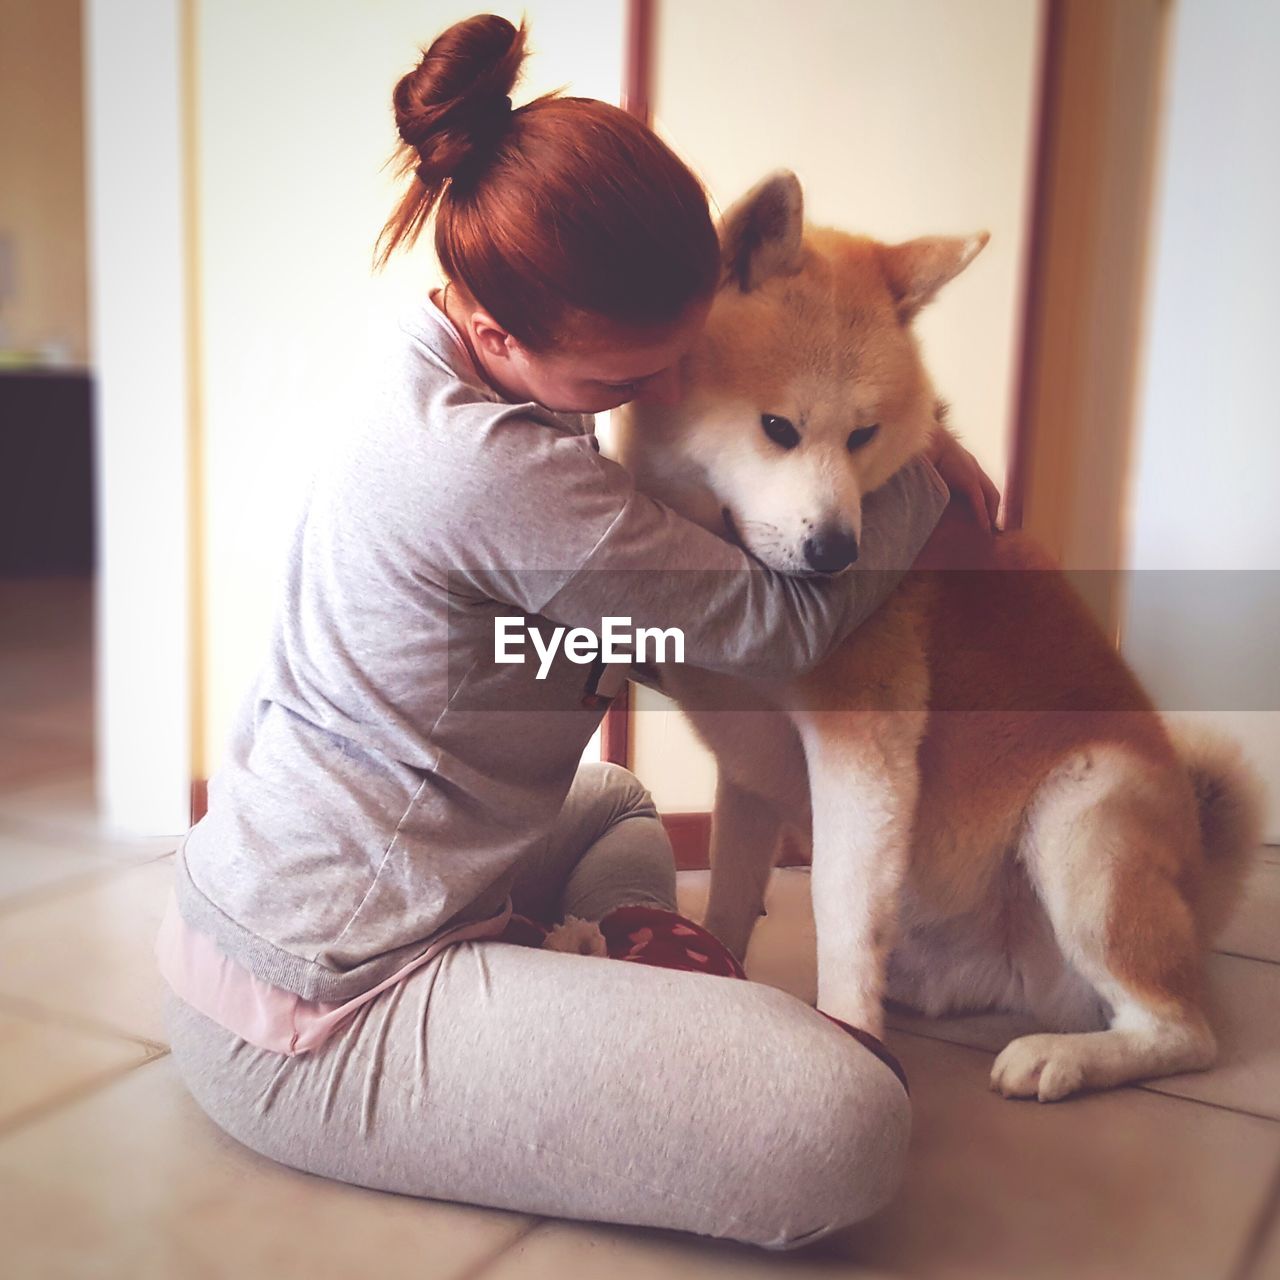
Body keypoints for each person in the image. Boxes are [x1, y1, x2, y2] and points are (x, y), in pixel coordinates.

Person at [158, 12, 996, 1252]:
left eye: (680, 357)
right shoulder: (489, 475)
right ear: (506, 336)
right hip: (320, 1000)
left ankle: (585, 985)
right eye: (621, 381)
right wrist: (919, 474)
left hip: (283, 882)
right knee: (845, 1119)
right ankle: (576, 1004)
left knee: (615, 804)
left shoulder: (435, 337)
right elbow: (773, 623)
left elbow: (587, 622)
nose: (661, 397)